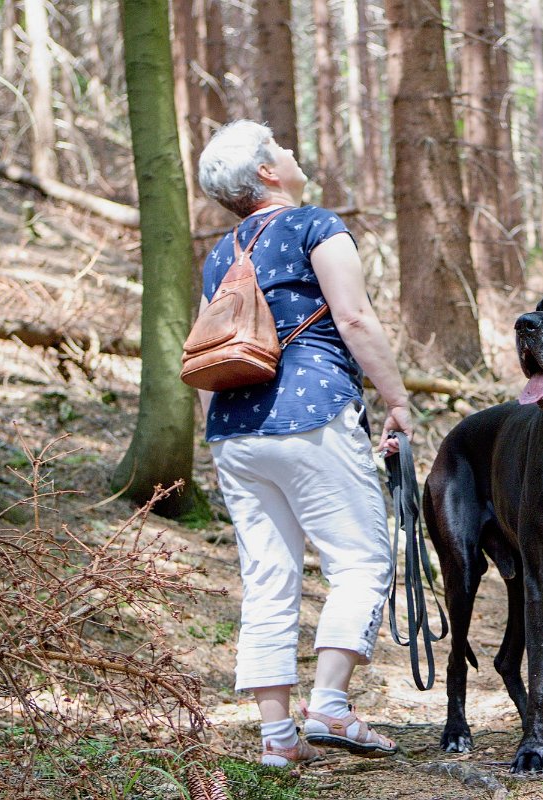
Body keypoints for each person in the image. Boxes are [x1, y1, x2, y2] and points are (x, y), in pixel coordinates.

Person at [196, 120, 412, 767]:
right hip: (311, 413)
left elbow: (203, 353)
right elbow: (352, 317)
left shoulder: (216, 255)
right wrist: (397, 400)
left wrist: (216, 438)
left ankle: (277, 740)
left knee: (267, 576)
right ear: (266, 171)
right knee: (362, 560)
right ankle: (330, 707)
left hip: (234, 433)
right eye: (281, 147)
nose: (292, 153)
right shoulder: (316, 224)